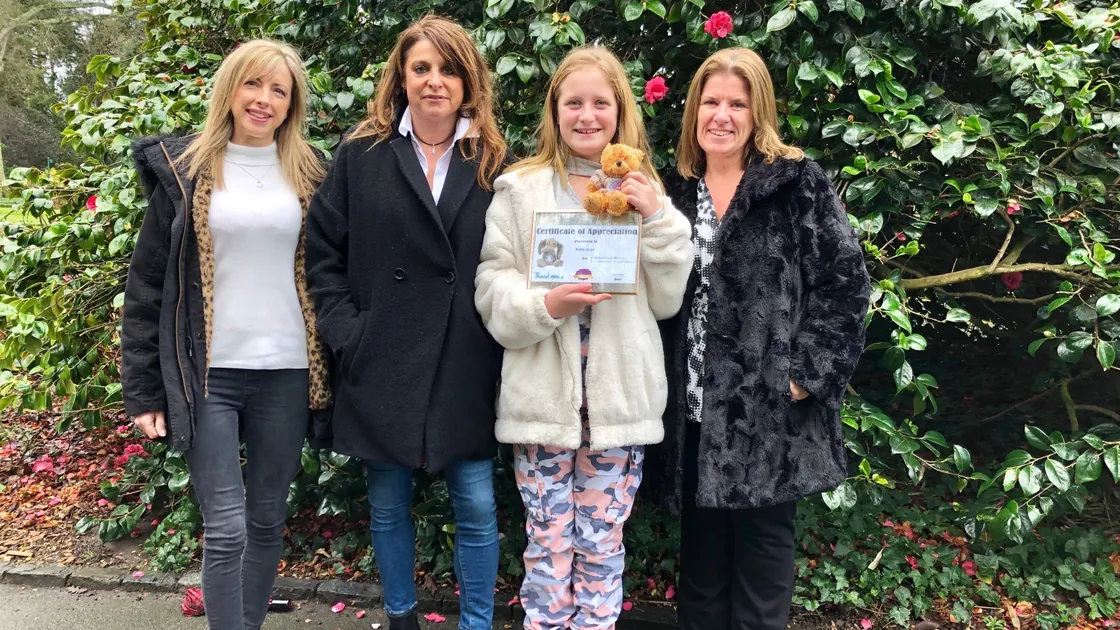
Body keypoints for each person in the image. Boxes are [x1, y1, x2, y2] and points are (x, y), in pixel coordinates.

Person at [475, 46, 692, 630]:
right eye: (574, 102)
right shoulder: (520, 191)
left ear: (621, 113)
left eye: (601, 102)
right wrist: (546, 304)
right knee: (547, 543)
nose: (587, 115)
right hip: (543, 402)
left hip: (618, 404)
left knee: (601, 544)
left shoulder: (641, 192)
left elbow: (669, 298)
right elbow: (491, 286)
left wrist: (659, 219)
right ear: (555, 110)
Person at [304, 15, 507, 630]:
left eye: (449, 70)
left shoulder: (495, 159)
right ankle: (400, 618)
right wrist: (348, 332)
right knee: (387, 503)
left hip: (463, 358)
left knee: (475, 502)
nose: (435, 81)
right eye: (422, 68)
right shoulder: (361, 154)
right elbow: (323, 253)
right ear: (402, 76)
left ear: (469, 84)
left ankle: (475, 623)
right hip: (381, 354)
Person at [121, 39, 331, 630]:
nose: (263, 100)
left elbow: (335, 269)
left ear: (291, 104)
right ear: (230, 89)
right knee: (227, 525)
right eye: (252, 85)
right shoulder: (185, 172)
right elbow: (148, 288)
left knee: (266, 520)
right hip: (208, 371)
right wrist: (142, 392)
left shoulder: (312, 173)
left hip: (287, 370)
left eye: (279, 90)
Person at [659, 47, 871, 630]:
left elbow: (845, 283)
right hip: (695, 404)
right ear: (693, 112)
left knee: (762, 557)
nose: (721, 115)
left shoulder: (795, 182)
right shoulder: (673, 191)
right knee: (700, 561)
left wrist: (805, 375)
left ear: (759, 113)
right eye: (710, 102)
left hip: (771, 407)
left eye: (737, 104)